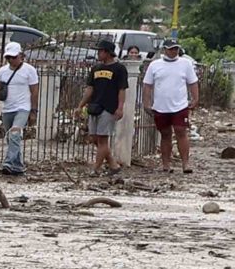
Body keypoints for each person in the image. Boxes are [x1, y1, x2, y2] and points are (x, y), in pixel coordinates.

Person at [142, 38, 199, 174]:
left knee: (181, 131)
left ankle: (185, 164)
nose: (174, 51)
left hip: (180, 105)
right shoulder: (155, 65)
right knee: (165, 134)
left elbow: (193, 83)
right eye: (171, 48)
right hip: (161, 106)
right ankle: (166, 165)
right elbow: (147, 85)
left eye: (176, 49)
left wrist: (195, 98)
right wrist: (146, 103)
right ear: (165, 50)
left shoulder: (186, 64)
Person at [0, 41, 39, 177]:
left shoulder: (29, 70)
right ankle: (18, 166)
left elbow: (34, 91)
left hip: (23, 107)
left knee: (15, 134)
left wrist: (33, 111)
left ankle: (8, 162)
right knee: (11, 138)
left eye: (13, 57)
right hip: (7, 108)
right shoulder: (2, 71)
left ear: (20, 55)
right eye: (8, 58)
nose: (11, 60)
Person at [82, 40, 129, 175]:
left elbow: (122, 90)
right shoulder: (95, 68)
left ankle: (96, 168)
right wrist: (81, 105)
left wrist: (120, 108)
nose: (98, 54)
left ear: (108, 53)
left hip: (109, 108)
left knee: (103, 139)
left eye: (100, 51)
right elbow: (90, 88)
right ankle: (113, 164)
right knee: (94, 138)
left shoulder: (119, 69)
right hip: (94, 106)